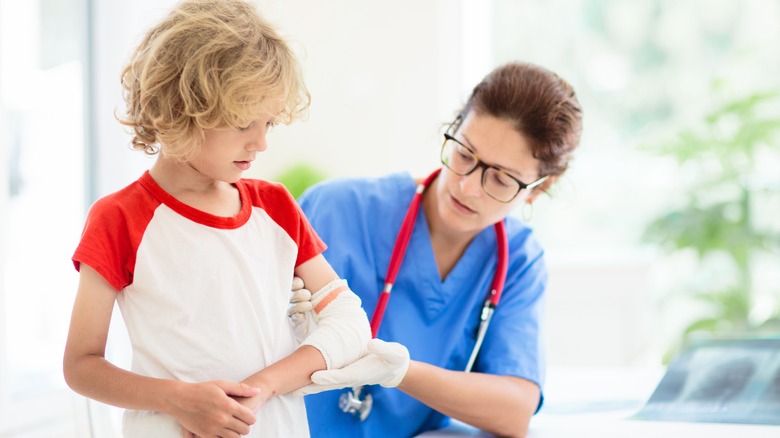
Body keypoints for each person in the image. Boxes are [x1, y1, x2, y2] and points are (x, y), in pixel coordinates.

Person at [62, 1, 373, 436]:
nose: (262, 142)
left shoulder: (276, 208)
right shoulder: (120, 218)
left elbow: (350, 322)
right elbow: (81, 365)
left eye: (269, 122)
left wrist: (260, 388)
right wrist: (179, 399)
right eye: (245, 123)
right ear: (180, 109)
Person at [292, 62, 583, 437]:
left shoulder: (518, 261)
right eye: (464, 154)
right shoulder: (335, 209)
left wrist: (400, 372)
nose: (467, 187)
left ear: (539, 188)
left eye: (500, 178)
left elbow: (515, 410)